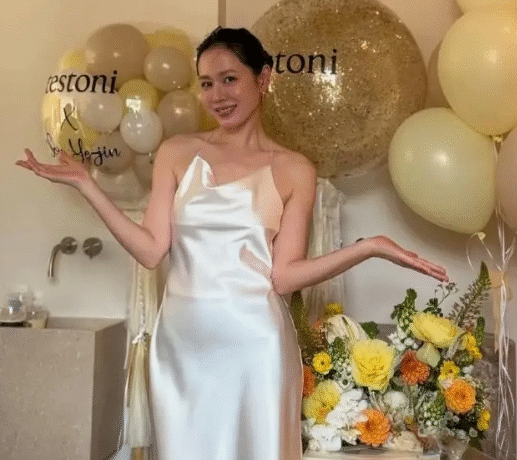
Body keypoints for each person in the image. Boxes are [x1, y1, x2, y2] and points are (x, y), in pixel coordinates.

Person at [17, 27, 448, 460]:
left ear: (263, 79)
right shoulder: (176, 152)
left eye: (229, 79)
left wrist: (368, 247)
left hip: (255, 344)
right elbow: (150, 250)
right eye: (206, 83)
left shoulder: (294, 169)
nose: (218, 95)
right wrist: (88, 186)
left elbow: (284, 277)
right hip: (182, 343)